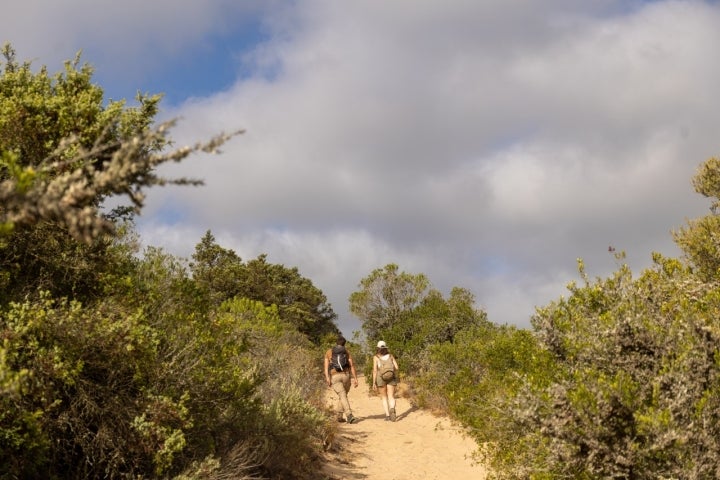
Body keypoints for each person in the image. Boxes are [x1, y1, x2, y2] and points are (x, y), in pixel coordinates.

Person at [324, 335, 359, 423]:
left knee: (342, 396)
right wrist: (355, 378)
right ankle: (344, 415)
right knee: (343, 396)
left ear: (336, 343)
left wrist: (328, 378)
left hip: (335, 376)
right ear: (344, 344)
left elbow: (326, 367)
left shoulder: (329, 352)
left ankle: (348, 416)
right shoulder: (346, 352)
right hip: (346, 375)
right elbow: (351, 365)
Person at [372, 340, 399, 422]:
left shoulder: (376, 357)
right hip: (391, 376)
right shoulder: (390, 356)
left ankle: (387, 415)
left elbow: (375, 370)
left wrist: (374, 383)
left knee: (384, 397)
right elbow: (397, 367)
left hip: (381, 377)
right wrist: (390, 371)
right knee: (391, 396)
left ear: (378, 348)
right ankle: (392, 408)